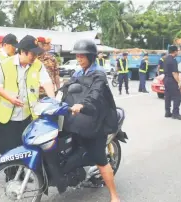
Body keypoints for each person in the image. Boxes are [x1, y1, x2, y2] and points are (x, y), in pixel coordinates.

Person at [0, 35, 55, 180]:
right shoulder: (3, 64)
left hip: (27, 114)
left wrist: (52, 100)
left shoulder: (37, 65)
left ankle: (22, 173)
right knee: (9, 147)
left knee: (24, 146)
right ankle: (10, 174)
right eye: (33, 53)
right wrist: (10, 98)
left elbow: (46, 82)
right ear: (23, 51)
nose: (35, 56)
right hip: (8, 115)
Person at [68, 39, 120, 202]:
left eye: (82, 56)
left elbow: (95, 94)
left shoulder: (99, 74)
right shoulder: (78, 72)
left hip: (97, 119)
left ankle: (114, 196)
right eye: (77, 56)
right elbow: (67, 87)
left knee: (100, 158)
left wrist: (83, 104)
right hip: (82, 117)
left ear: (91, 57)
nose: (79, 59)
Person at [163, 45, 181, 120]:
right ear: (175, 51)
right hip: (171, 80)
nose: (178, 52)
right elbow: (174, 73)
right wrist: (179, 82)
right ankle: (175, 114)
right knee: (177, 96)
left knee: (168, 96)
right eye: (177, 51)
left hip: (166, 79)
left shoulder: (166, 59)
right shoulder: (173, 60)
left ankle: (167, 112)